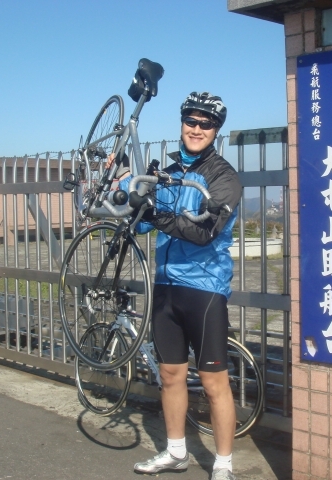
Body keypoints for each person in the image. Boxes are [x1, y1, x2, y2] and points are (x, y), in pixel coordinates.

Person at [119, 92, 242, 480]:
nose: (197, 128)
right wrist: (128, 190)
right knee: (170, 375)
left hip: (204, 289)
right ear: (182, 122)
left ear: (216, 131)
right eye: (191, 120)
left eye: (207, 124)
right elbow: (142, 222)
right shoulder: (168, 172)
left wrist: (155, 214)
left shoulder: (224, 177)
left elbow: (204, 232)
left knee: (213, 382)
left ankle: (223, 465)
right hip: (166, 286)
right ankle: (176, 452)